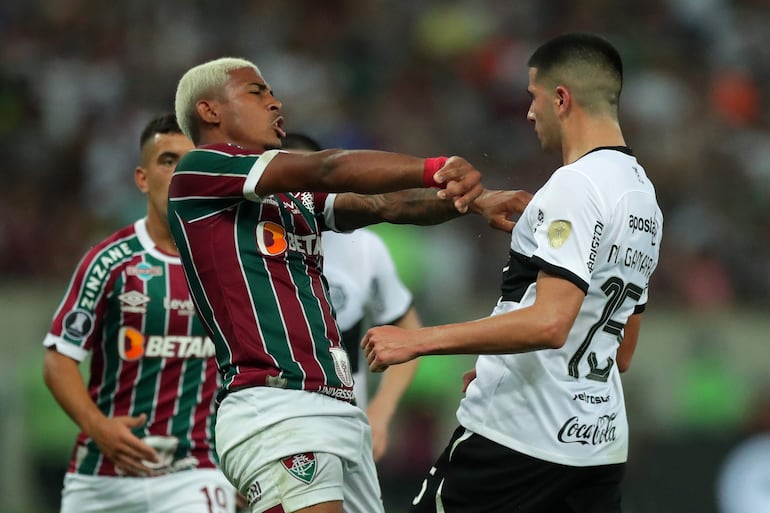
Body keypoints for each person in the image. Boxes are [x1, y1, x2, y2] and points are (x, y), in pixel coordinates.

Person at [168, 57, 530, 513]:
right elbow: (329, 167)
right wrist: (435, 167)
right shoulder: (200, 169)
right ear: (210, 111)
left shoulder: (290, 200)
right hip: (276, 405)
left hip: (339, 406)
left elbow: (384, 205)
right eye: (257, 92)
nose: (275, 101)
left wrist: (474, 203)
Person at [363, 32, 664, 512]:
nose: (529, 112)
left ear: (561, 99)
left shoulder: (576, 185)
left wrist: (418, 341)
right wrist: (503, 362)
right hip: (597, 446)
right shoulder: (642, 195)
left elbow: (549, 323)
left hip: (519, 439)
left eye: (533, 97)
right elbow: (620, 350)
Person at [42, 113, 236, 513]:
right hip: (103, 476)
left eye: (191, 162)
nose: (180, 173)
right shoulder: (110, 261)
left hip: (195, 470)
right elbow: (59, 359)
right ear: (143, 178)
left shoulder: (229, 267)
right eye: (168, 160)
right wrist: (99, 428)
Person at [282, 132, 421, 462]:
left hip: (345, 434)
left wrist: (381, 412)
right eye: (283, 180)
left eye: (304, 180)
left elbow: (408, 332)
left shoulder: (365, 249)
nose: (292, 194)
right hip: (272, 431)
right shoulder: (245, 249)